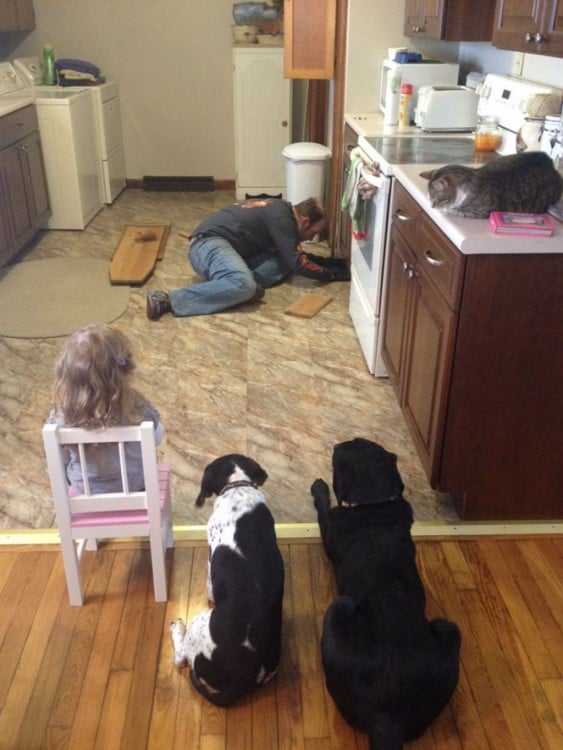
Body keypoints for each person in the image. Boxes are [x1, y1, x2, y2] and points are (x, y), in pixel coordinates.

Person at [146, 196, 350, 320]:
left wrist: (333, 264)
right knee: (245, 284)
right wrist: (335, 275)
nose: (311, 238)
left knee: (282, 263)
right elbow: (299, 264)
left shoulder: (282, 212)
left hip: (230, 249)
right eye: (314, 233)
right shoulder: (282, 218)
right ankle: (167, 299)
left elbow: (295, 258)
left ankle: (231, 284)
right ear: (305, 222)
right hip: (208, 244)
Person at [47, 324, 163, 494]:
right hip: (136, 486)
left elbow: (60, 457)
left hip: (85, 489)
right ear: (123, 371)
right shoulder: (139, 410)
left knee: (65, 460)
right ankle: (162, 522)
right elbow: (157, 438)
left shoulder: (61, 418)